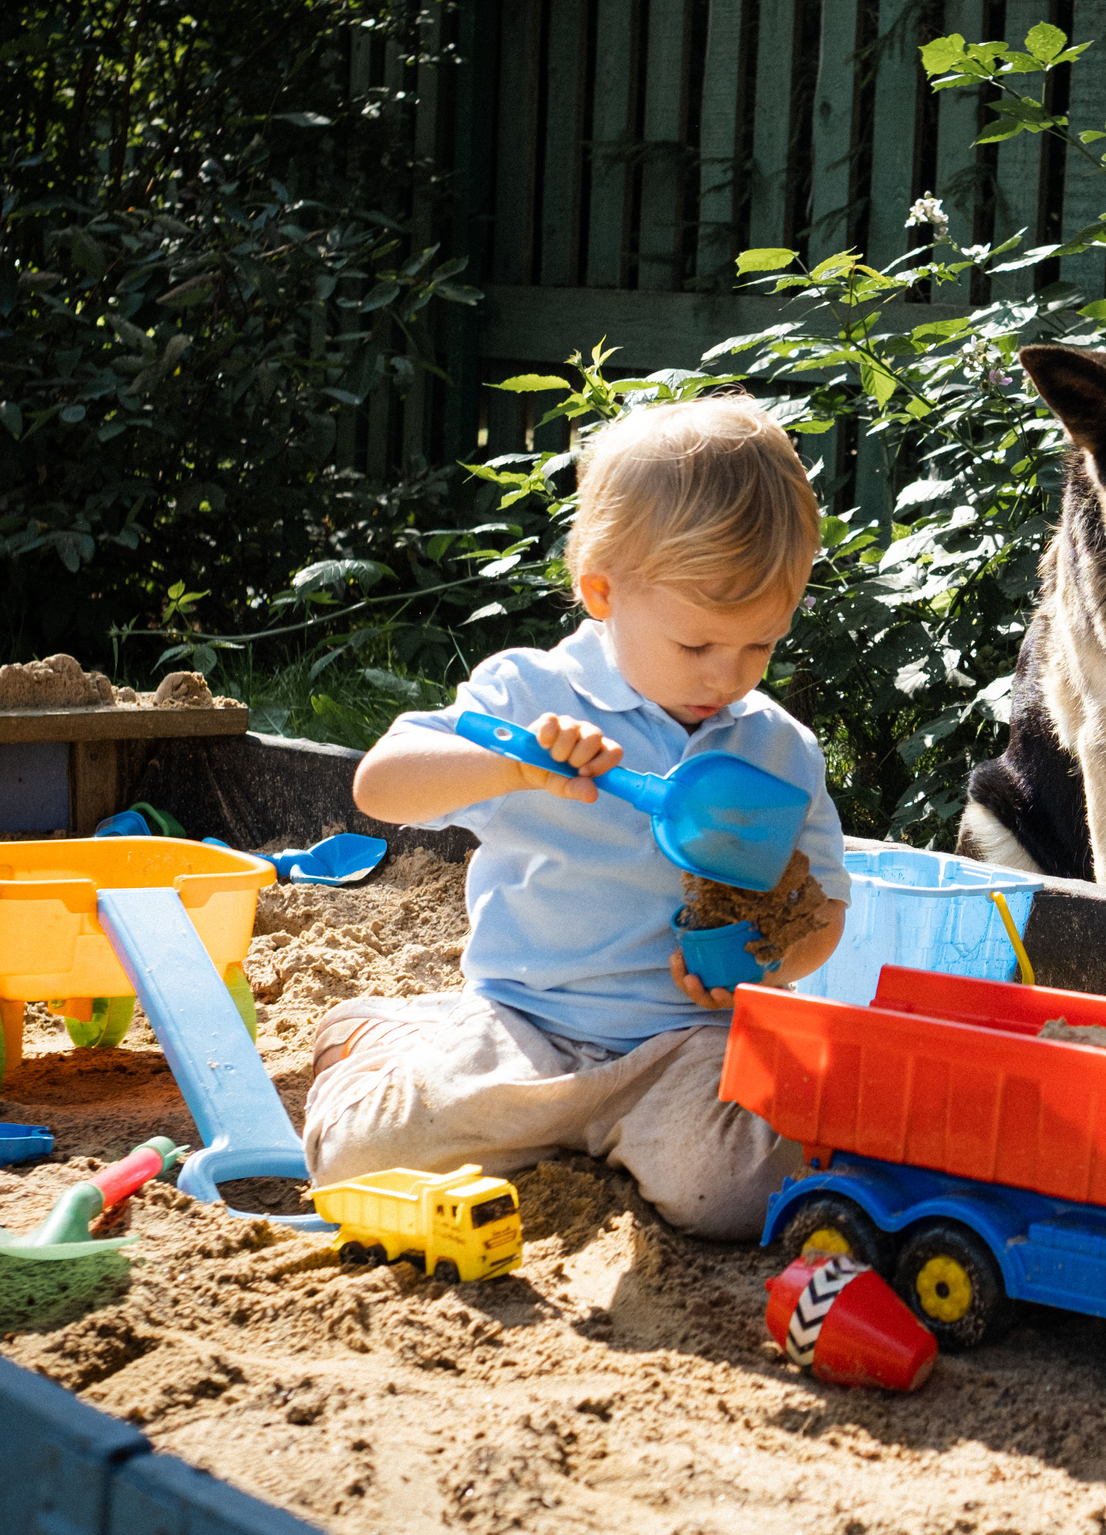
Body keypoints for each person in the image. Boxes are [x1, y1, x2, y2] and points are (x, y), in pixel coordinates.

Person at [308, 395, 849, 1237]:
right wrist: (511, 763)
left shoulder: (776, 751)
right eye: (698, 645)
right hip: (528, 1021)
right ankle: (374, 1037)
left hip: (684, 1043)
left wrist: (773, 958)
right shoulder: (531, 696)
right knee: (358, 1158)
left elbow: (823, 912)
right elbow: (380, 785)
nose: (729, 676)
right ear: (602, 591)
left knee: (746, 1195)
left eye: (761, 644)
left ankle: (593, 1137)